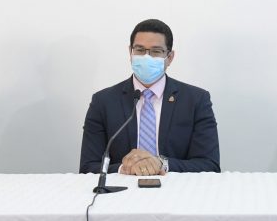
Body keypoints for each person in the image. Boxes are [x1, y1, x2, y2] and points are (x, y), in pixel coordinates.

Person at [80, 19, 220, 175]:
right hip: (121, 187)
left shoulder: (196, 100)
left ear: (170, 57)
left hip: (175, 187)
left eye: (156, 51)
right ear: (130, 52)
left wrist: (161, 164)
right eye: (140, 50)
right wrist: (125, 169)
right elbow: (88, 166)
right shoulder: (103, 101)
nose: (146, 57)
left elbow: (209, 164)